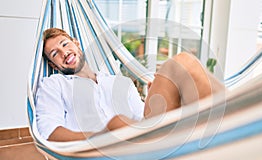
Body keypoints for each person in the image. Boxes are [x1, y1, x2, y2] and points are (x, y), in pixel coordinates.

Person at [35, 28, 224, 142]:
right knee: (118, 122)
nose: (63, 52)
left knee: (184, 63)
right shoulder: (54, 85)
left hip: (145, 137)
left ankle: (228, 131)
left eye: (65, 44)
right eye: (55, 53)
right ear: (53, 65)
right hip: (103, 150)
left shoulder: (120, 82)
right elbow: (49, 132)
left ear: (76, 44)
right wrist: (102, 136)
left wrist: (156, 97)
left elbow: (142, 118)